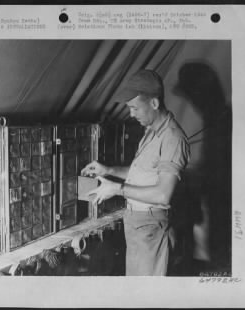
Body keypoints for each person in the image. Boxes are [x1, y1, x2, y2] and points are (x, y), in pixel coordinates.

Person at [82, 69, 190, 276]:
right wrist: (110, 170)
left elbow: (162, 194)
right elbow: (140, 173)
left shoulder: (172, 139)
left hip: (151, 227)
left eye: (134, 108)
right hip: (138, 225)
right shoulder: (151, 131)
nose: (131, 114)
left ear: (154, 103)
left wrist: (118, 189)